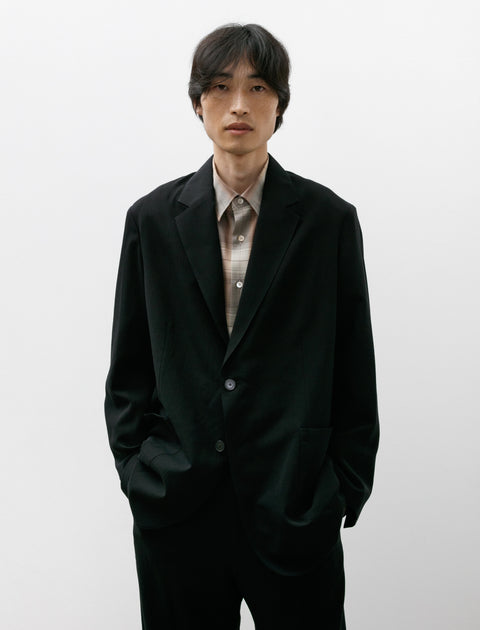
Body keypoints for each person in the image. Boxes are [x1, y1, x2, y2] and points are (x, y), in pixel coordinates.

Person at [105, 23, 379, 630]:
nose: (238, 105)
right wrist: (138, 471)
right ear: (197, 102)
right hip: (178, 511)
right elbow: (129, 368)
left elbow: (355, 366)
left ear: (280, 104)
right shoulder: (151, 220)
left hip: (293, 506)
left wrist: (341, 487)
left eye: (258, 87)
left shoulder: (329, 221)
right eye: (221, 87)